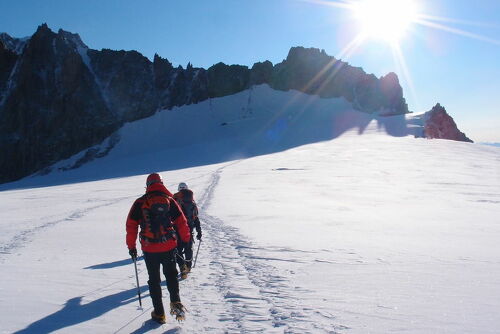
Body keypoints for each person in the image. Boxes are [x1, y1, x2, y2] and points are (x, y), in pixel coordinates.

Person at [126, 173, 191, 323]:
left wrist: (132, 246)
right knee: (171, 275)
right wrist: (186, 239)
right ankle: (176, 304)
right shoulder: (170, 201)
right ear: (161, 183)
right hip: (168, 246)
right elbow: (181, 221)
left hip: (149, 248)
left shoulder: (140, 202)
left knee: (154, 280)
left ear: (148, 185)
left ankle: (159, 314)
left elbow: (131, 225)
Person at [173, 182, 202, 279]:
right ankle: (188, 266)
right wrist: (199, 231)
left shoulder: (175, 199)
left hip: (177, 229)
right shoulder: (192, 202)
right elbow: (196, 218)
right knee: (188, 247)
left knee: (178, 249)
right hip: (189, 229)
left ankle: (182, 267)